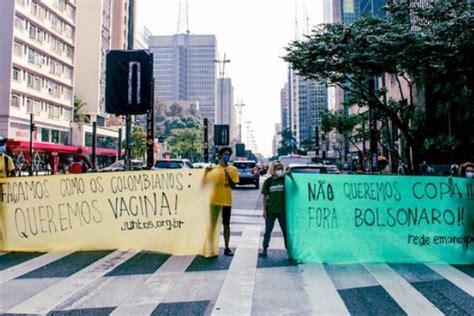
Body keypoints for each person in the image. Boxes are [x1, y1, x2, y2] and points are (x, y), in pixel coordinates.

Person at [204, 147, 240, 256]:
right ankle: (210, 246)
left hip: (226, 201)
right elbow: (205, 184)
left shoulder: (233, 169)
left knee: (226, 225)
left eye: (228, 154)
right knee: (213, 225)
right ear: (220, 155)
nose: (227, 156)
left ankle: (227, 247)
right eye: (225, 154)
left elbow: (234, 185)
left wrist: (228, 176)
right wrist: (206, 173)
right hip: (214, 201)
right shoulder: (213, 169)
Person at [260, 161, 287, 257]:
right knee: (267, 231)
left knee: (285, 231)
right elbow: (265, 197)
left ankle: (289, 250)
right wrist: (264, 211)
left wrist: (290, 176)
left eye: (281, 169)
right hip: (271, 210)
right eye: (278, 169)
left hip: (282, 211)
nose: (280, 171)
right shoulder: (268, 182)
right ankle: (264, 249)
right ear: (273, 170)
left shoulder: (284, 180)